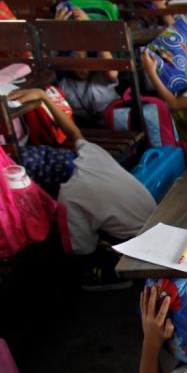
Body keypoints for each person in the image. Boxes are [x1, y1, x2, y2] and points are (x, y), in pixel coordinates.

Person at [9, 87, 155, 289]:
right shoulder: (89, 154)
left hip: (138, 245)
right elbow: (73, 132)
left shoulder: (69, 197)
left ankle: (116, 275)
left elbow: (80, 248)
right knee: (95, 214)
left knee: (81, 257)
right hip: (153, 218)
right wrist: (43, 97)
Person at [53, 5, 120, 127]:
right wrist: (57, 31)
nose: (81, 66)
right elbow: (51, 58)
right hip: (81, 125)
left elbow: (112, 72)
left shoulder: (102, 68)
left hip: (112, 118)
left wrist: (90, 28)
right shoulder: (63, 75)